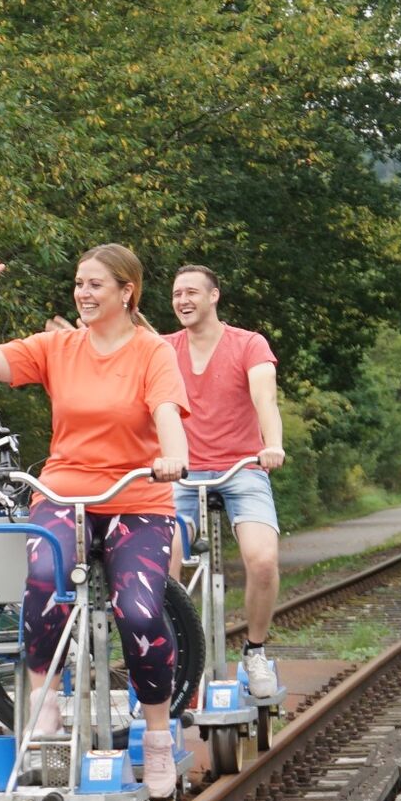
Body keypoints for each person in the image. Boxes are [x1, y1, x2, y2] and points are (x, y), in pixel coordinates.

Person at [0, 246, 190, 798]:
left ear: (126, 292)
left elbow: (167, 414)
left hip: (136, 496)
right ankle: (46, 700)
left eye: (95, 284)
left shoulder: (152, 352)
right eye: (79, 283)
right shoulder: (59, 347)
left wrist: (173, 456)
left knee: (139, 610)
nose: (83, 293)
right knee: (41, 579)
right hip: (64, 491)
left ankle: (156, 736)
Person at [165, 265, 286, 703]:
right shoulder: (164, 349)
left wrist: (272, 444)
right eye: (177, 294)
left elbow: (264, 399)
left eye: (192, 292)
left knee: (263, 560)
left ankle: (254, 651)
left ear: (214, 296)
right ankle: (170, 652)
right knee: (160, 559)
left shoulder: (248, 344)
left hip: (242, 469)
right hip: (182, 472)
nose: (183, 300)